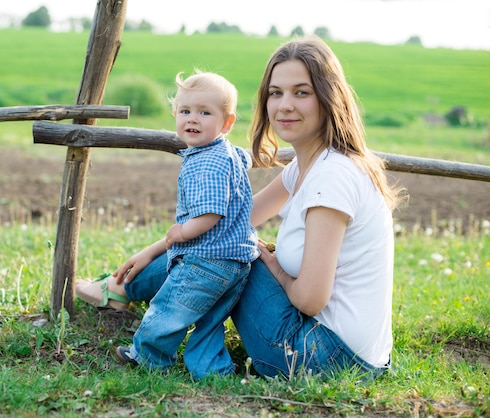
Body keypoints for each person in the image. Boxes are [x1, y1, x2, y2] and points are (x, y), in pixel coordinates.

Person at [77, 36, 405, 380]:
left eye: (301, 92)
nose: (284, 105)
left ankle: (119, 290)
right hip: (347, 353)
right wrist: (154, 249)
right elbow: (236, 220)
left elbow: (310, 299)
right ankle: (123, 286)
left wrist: (272, 263)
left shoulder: (333, 176)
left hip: (320, 356)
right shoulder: (308, 166)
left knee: (237, 254)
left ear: (328, 98)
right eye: (275, 93)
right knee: (230, 245)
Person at [76, 70, 259, 381]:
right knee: (210, 322)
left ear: (227, 123)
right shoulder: (228, 154)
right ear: (175, 114)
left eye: (205, 113)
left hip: (206, 261)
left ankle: (149, 358)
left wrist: (182, 231)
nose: (193, 119)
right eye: (185, 111)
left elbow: (211, 213)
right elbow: (244, 163)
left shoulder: (208, 161)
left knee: (170, 308)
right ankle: (213, 372)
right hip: (237, 263)